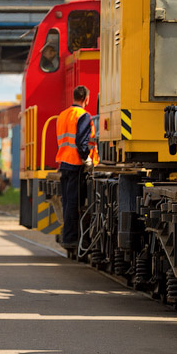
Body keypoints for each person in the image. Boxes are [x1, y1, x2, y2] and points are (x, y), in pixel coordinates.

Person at [55, 85, 98, 250]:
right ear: (86, 99)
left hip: (64, 162)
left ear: (74, 97)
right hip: (76, 164)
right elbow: (81, 141)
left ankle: (68, 236)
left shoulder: (63, 115)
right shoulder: (84, 116)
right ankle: (71, 238)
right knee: (74, 202)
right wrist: (86, 158)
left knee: (67, 202)